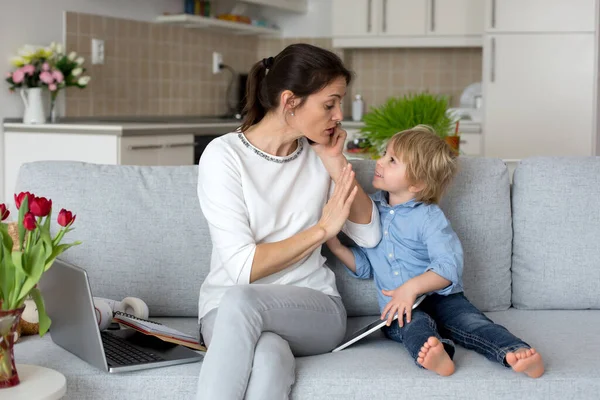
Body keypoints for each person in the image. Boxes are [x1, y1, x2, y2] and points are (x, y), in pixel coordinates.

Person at [194, 43, 382, 400]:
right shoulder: (224, 156)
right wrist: (322, 231)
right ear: (289, 101)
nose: (339, 115)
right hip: (226, 310)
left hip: (313, 308)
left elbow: (370, 235)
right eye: (330, 104)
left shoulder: (320, 158)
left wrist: (334, 161)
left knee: (242, 302)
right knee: (268, 355)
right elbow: (243, 269)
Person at [325, 126, 545, 378]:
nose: (380, 161)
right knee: (414, 327)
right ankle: (437, 354)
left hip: (444, 298)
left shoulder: (429, 217)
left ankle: (515, 352)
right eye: (385, 153)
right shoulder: (370, 212)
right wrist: (337, 246)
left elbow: (448, 266)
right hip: (400, 310)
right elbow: (365, 266)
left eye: (392, 160)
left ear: (418, 183)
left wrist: (411, 288)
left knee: (473, 323)